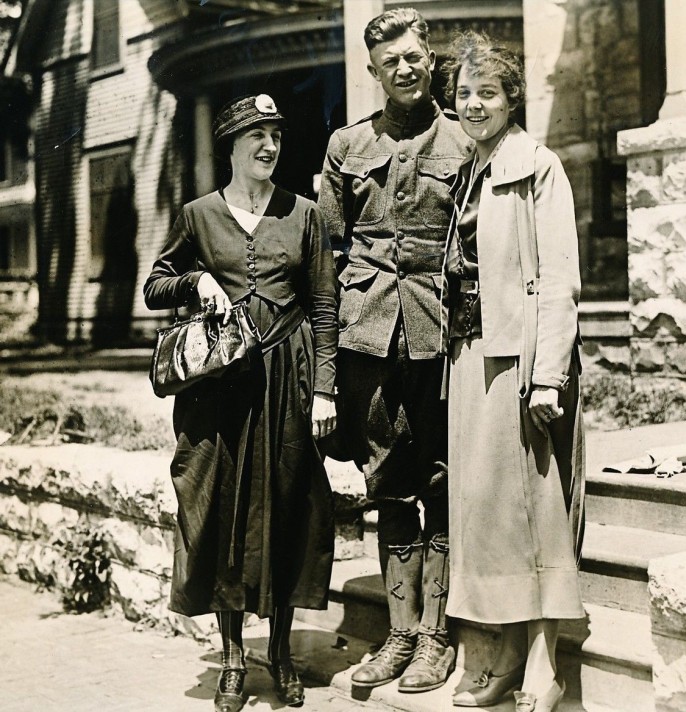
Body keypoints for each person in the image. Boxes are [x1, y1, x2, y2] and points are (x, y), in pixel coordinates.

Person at [144, 94, 338, 712]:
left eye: (276, 135)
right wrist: (196, 279)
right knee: (219, 511)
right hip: (218, 395)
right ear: (229, 148)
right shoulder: (198, 215)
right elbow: (154, 285)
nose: (269, 146)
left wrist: (326, 388)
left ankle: (279, 655)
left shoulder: (303, 214)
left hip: (289, 382)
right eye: (255, 136)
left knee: (287, 510)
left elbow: (326, 306)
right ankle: (232, 659)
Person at [317, 7, 470, 694]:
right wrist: (324, 373)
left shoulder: (466, 143)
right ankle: (399, 634)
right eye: (390, 61)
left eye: (414, 56)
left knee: (441, 478)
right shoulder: (346, 148)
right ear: (373, 70)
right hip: (370, 341)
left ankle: (437, 636)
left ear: (429, 58)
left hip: (442, 339)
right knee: (388, 481)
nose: (404, 68)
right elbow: (324, 264)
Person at [441, 32, 585, 712]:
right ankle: (498, 658)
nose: (474, 105)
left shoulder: (538, 165)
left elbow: (560, 277)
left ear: (511, 99)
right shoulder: (470, 167)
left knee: (529, 513)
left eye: (487, 94)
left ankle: (542, 666)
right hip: (469, 358)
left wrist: (549, 373)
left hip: (520, 361)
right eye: (465, 94)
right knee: (484, 515)